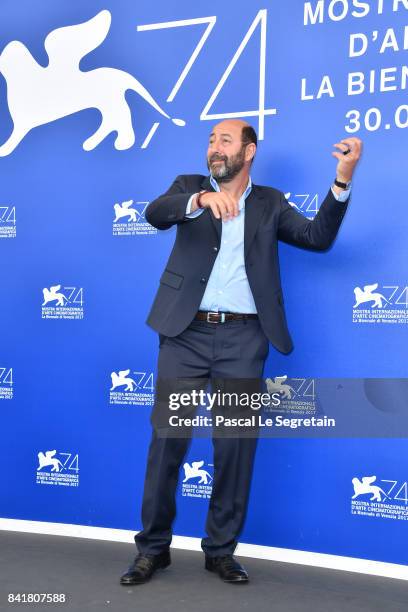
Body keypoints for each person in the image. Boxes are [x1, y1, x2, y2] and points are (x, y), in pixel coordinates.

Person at [120, 120, 362, 585]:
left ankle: (220, 550)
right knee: (167, 443)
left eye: (225, 141)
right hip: (184, 334)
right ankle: (152, 549)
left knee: (234, 448)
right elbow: (155, 212)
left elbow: (317, 237)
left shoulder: (269, 202)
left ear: (248, 152)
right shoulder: (188, 187)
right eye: (211, 140)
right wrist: (199, 200)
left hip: (243, 341)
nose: (214, 148)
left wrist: (343, 179)